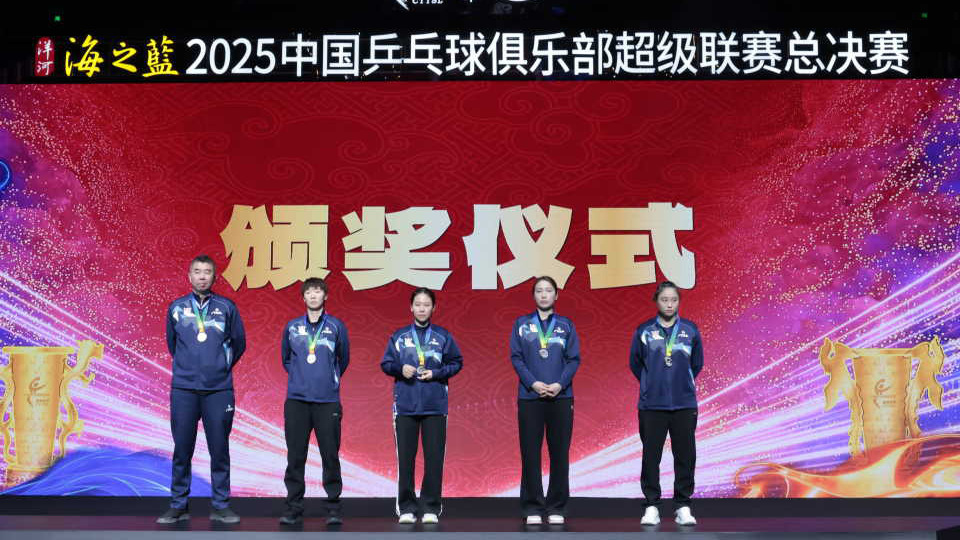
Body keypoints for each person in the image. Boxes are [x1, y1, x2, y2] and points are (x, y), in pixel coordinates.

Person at [157, 255, 246, 524]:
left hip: (219, 390)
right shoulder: (176, 307)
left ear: (214, 277)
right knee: (182, 449)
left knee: (219, 450)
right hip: (184, 390)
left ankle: (220, 505)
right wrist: (189, 367)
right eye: (197, 271)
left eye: (207, 272)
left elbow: (239, 343)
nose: (202, 276)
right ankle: (178, 505)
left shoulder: (227, 307)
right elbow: (173, 344)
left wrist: (219, 366)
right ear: (190, 276)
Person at [380, 288, 463, 524]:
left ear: (434, 308)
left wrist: (436, 373)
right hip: (405, 406)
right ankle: (406, 507)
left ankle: (430, 507)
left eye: (426, 305)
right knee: (405, 460)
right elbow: (386, 363)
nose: (422, 309)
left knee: (434, 459)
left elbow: (457, 362)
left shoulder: (443, 336)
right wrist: (400, 369)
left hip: (435, 406)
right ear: (411, 307)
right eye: (418, 304)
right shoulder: (399, 336)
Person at [629, 281, 704, 527]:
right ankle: (652, 505)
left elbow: (697, 364)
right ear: (656, 302)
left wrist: (681, 384)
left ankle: (683, 505)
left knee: (685, 456)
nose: (669, 304)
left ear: (678, 302)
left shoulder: (690, 330)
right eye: (664, 300)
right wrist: (652, 383)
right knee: (651, 457)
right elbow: (635, 363)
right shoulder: (644, 331)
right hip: (652, 405)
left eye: (673, 300)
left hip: (684, 404)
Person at [509, 276, 580, 526]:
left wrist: (560, 384)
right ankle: (532, 506)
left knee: (559, 454)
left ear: (556, 295)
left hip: (561, 397)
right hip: (530, 397)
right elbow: (516, 358)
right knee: (530, 453)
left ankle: (557, 506)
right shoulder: (521, 324)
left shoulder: (566, 325)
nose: (543, 294)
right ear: (534, 296)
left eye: (548, 290)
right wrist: (533, 383)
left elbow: (573, 359)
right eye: (539, 290)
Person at [279, 277, 350, 526]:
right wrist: (301, 378)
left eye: (318, 291)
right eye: (309, 292)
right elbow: (286, 359)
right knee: (295, 457)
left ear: (325, 296)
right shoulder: (292, 327)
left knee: (330, 455)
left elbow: (343, 359)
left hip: (327, 401)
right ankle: (293, 508)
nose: (313, 295)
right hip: (297, 401)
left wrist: (328, 379)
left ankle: (333, 508)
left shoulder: (336, 326)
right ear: (303, 297)